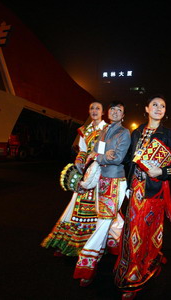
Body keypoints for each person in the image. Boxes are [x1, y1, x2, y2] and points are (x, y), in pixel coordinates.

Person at [114, 95, 171, 299]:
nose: (158, 108)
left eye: (162, 105)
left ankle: (146, 265)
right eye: (154, 105)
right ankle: (132, 270)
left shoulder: (169, 134)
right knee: (133, 230)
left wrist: (161, 172)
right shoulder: (137, 132)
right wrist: (127, 184)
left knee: (150, 229)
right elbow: (129, 161)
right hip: (135, 189)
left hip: (155, 190)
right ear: (147, 108)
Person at [73, 101, 131, 287]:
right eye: (112, 109)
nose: (115, 112)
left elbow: (118, 158)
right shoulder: (104, 132)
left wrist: (100, 157)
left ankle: (86, 264)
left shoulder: (124, 132)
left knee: (103, 222)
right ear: (108, 112)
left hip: (115, 181)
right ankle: (129, 249)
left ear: (123, 115)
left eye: (119, 110)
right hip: (101, 180)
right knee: (112, 219)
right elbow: (95, 154)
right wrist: (103, 156)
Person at [41, 102, 107, 256]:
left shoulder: (107, 129)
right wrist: (79, 161)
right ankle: (72, 244)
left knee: (100, 209)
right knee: (77, 205)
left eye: (98, 108)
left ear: (103, 112)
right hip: (87, 172)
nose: (94, 111)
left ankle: (96, 246)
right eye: (91, 108)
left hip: (102, 173)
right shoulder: (85, 130)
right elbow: (83, 150)